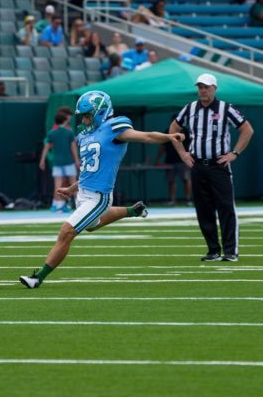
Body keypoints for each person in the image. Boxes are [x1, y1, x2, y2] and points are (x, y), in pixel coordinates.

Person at [19, 90, 185, 288]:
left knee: (67, 231)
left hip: (99, 197)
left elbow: (146, 136)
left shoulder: (114, 127)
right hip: (83, 192)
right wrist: (72, 188)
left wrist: (168, 136)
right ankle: (133, 210)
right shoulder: (83, 136)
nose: (85, 119)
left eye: (88, 115)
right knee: (92, 225)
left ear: (100, 112)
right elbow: (89, 170)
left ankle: (38, 277)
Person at [169, 73, 254, 262]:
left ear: (214, 88)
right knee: (203, 209)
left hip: (219, 165)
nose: (203, 90)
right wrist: (183, 153)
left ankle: (231, 251)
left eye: (206, 87)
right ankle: (213, 250)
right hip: (198, 165)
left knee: (225, 208)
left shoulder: (226, 108)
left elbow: (247, 129)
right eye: (200, 87)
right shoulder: (190, 108)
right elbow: (173, 129)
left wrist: (235, 153)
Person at [39, 111, 79, 213]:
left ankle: (58, 205)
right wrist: (77, 161)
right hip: (69, 162)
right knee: (74, 184)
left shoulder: (52, 133)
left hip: (57, 163)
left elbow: (46, 147)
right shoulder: (69, 132)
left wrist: (42, 161)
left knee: (58, 185)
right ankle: (79, 205)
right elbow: (73, 147)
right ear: (65, 120)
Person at [156, 116, 191, 206]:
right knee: (171, 180)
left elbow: (192, 146)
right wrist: (158, 159)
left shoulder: (186, 132)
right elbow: (162, 146)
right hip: (170, 160)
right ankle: (172, 199)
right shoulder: (168, 131)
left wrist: (189, 158)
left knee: (186, 179)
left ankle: (188, 199)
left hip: (183, 161)